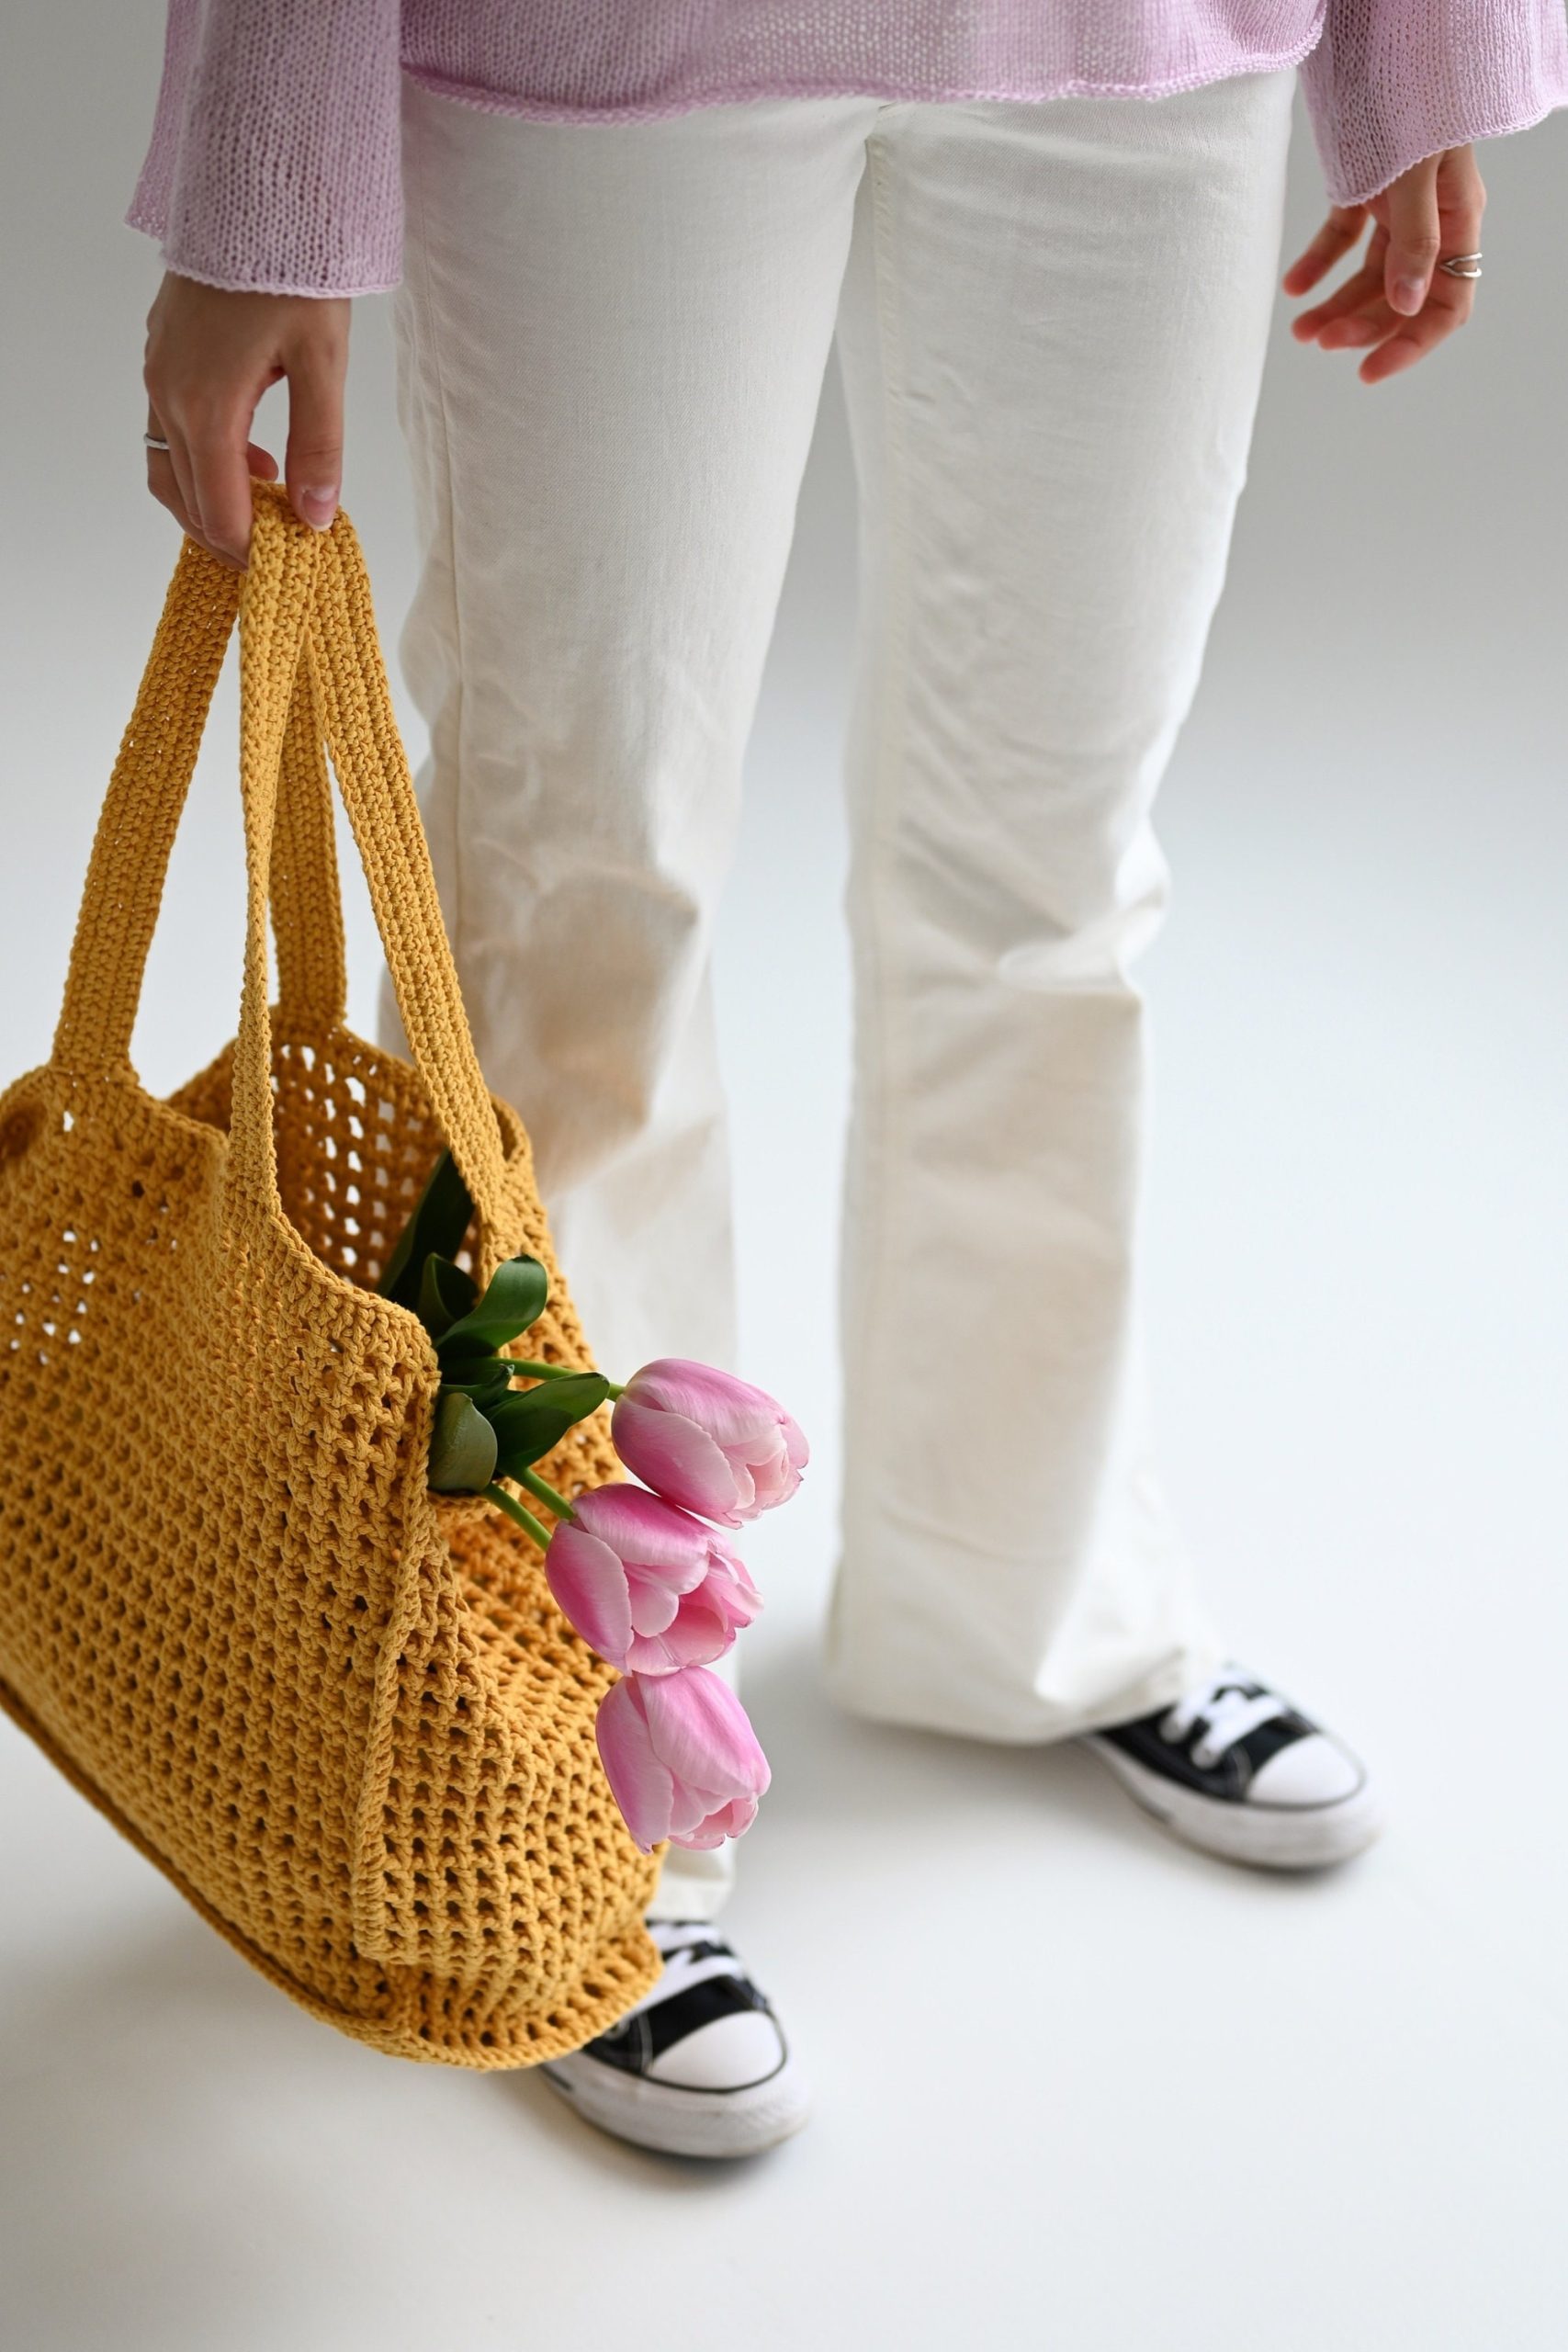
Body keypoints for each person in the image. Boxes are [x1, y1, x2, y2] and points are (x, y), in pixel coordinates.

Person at [131, 2, 1565, 2162]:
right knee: (573, 896)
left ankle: (1027, 1597)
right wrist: (269, 185)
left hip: (1140, 47)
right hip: (610, 46)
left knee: (1052, 880)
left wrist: (1424, 49)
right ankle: (568, 1759)